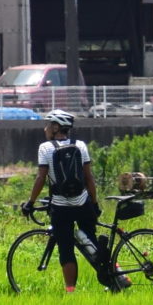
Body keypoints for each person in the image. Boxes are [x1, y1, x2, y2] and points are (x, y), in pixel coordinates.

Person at [21, 109, 123, 292]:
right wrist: (95, 203)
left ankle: (70, 292)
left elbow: (41, 178)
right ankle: (115, 279)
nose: (45, 128)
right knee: (91, 242)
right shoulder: (80, 145)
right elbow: (89, 178)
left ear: (55, 127)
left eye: (48, 124)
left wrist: (30, 202)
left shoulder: (45, 148)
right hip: (83, 203)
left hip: (61, 208)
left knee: (66, 250)